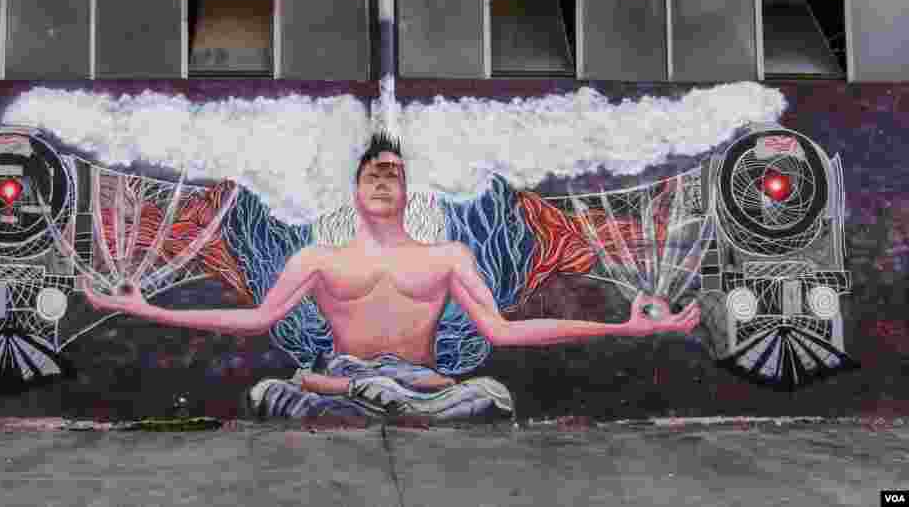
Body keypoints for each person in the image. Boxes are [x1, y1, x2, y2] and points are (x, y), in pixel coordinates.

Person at [83, 133, 701, 420]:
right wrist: (148, 309)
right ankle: (357, 395)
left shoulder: (448, 256)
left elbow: (507, 333)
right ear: (354, 190)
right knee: (278, 394)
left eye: (393, 173)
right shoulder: (319, 260)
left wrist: (623, 329)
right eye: (373, 172)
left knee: (488, 396)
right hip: (339, 383)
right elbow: (254, 319)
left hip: (427, 386)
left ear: (408, 190)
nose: (383, 177)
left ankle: (386, 398)